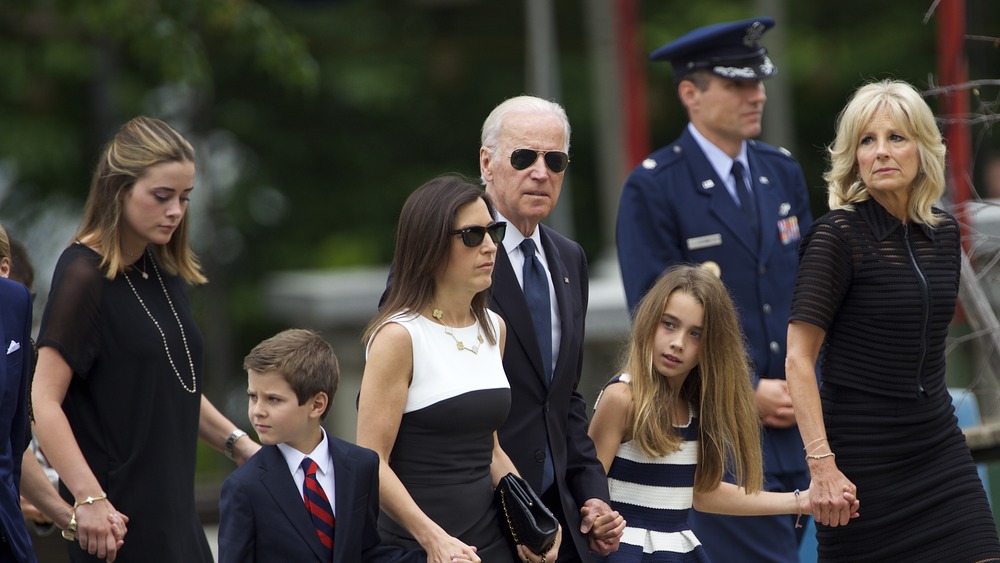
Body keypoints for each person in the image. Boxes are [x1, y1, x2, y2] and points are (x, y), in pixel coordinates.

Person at [615, 17, 812, 561]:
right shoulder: (654, 186)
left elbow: (808, 293)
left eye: (758, 81)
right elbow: (654, 318)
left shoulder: (781, 172)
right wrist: (746, 389)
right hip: (715, 431)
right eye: (737, 84)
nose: (758, 95)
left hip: (798, 424)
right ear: (690, 94)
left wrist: (802, 379)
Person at [785, 79, 1000, 561]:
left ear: (922, 149)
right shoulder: (836, 237)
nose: (881, 152)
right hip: (862, 461)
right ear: (853, 156)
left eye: (896, 138)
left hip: (937, 447)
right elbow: (798, 359)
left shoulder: (943, 235)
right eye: (868, 140)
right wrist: (822, 466)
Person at [30, 116, 260, 563]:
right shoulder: (83, 274)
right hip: (118, 529)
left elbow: (174, 385)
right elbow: (41, 401)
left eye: (185, 198)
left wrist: (239, 444)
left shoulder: (160, 268)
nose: (176, 210)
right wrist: (89, 499)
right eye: (162, 196)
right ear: (119, 190)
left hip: (177, 520)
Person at [588, 266, 858, 562]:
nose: (678, 342)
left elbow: (704, 493)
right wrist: (596, 520)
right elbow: (585, 485)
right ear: (650, 321)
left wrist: (801, 501)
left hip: (678, 552)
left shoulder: (695, 408)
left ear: (711, 347)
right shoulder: (623, 397)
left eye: (695, 334)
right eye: (668, 324)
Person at [359, 175, 561, 563]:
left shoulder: (493, 327)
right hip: (420, 550)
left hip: (491, 546)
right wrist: (433, 540)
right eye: (472, 236)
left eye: (493, 231)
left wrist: (532, 517)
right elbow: (372, 462)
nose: (489, 246)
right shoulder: (398, 336)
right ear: (430, 245)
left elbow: (492, 450)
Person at [479, 95, 624, 562]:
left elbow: (564, 400)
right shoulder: (451, 247)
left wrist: (593, 494)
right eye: (524, 157)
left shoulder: (569, 257)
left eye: (554, 160)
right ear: (488, 163)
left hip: (557, 523)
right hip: (476, 518)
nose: (541, 172)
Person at [218, 328, 425, 563]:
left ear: (317, 405)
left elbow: (365, 553)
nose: (257, 411)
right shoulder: (244, 487)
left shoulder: (361, 466)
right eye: (253, 396)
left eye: (273, 399)